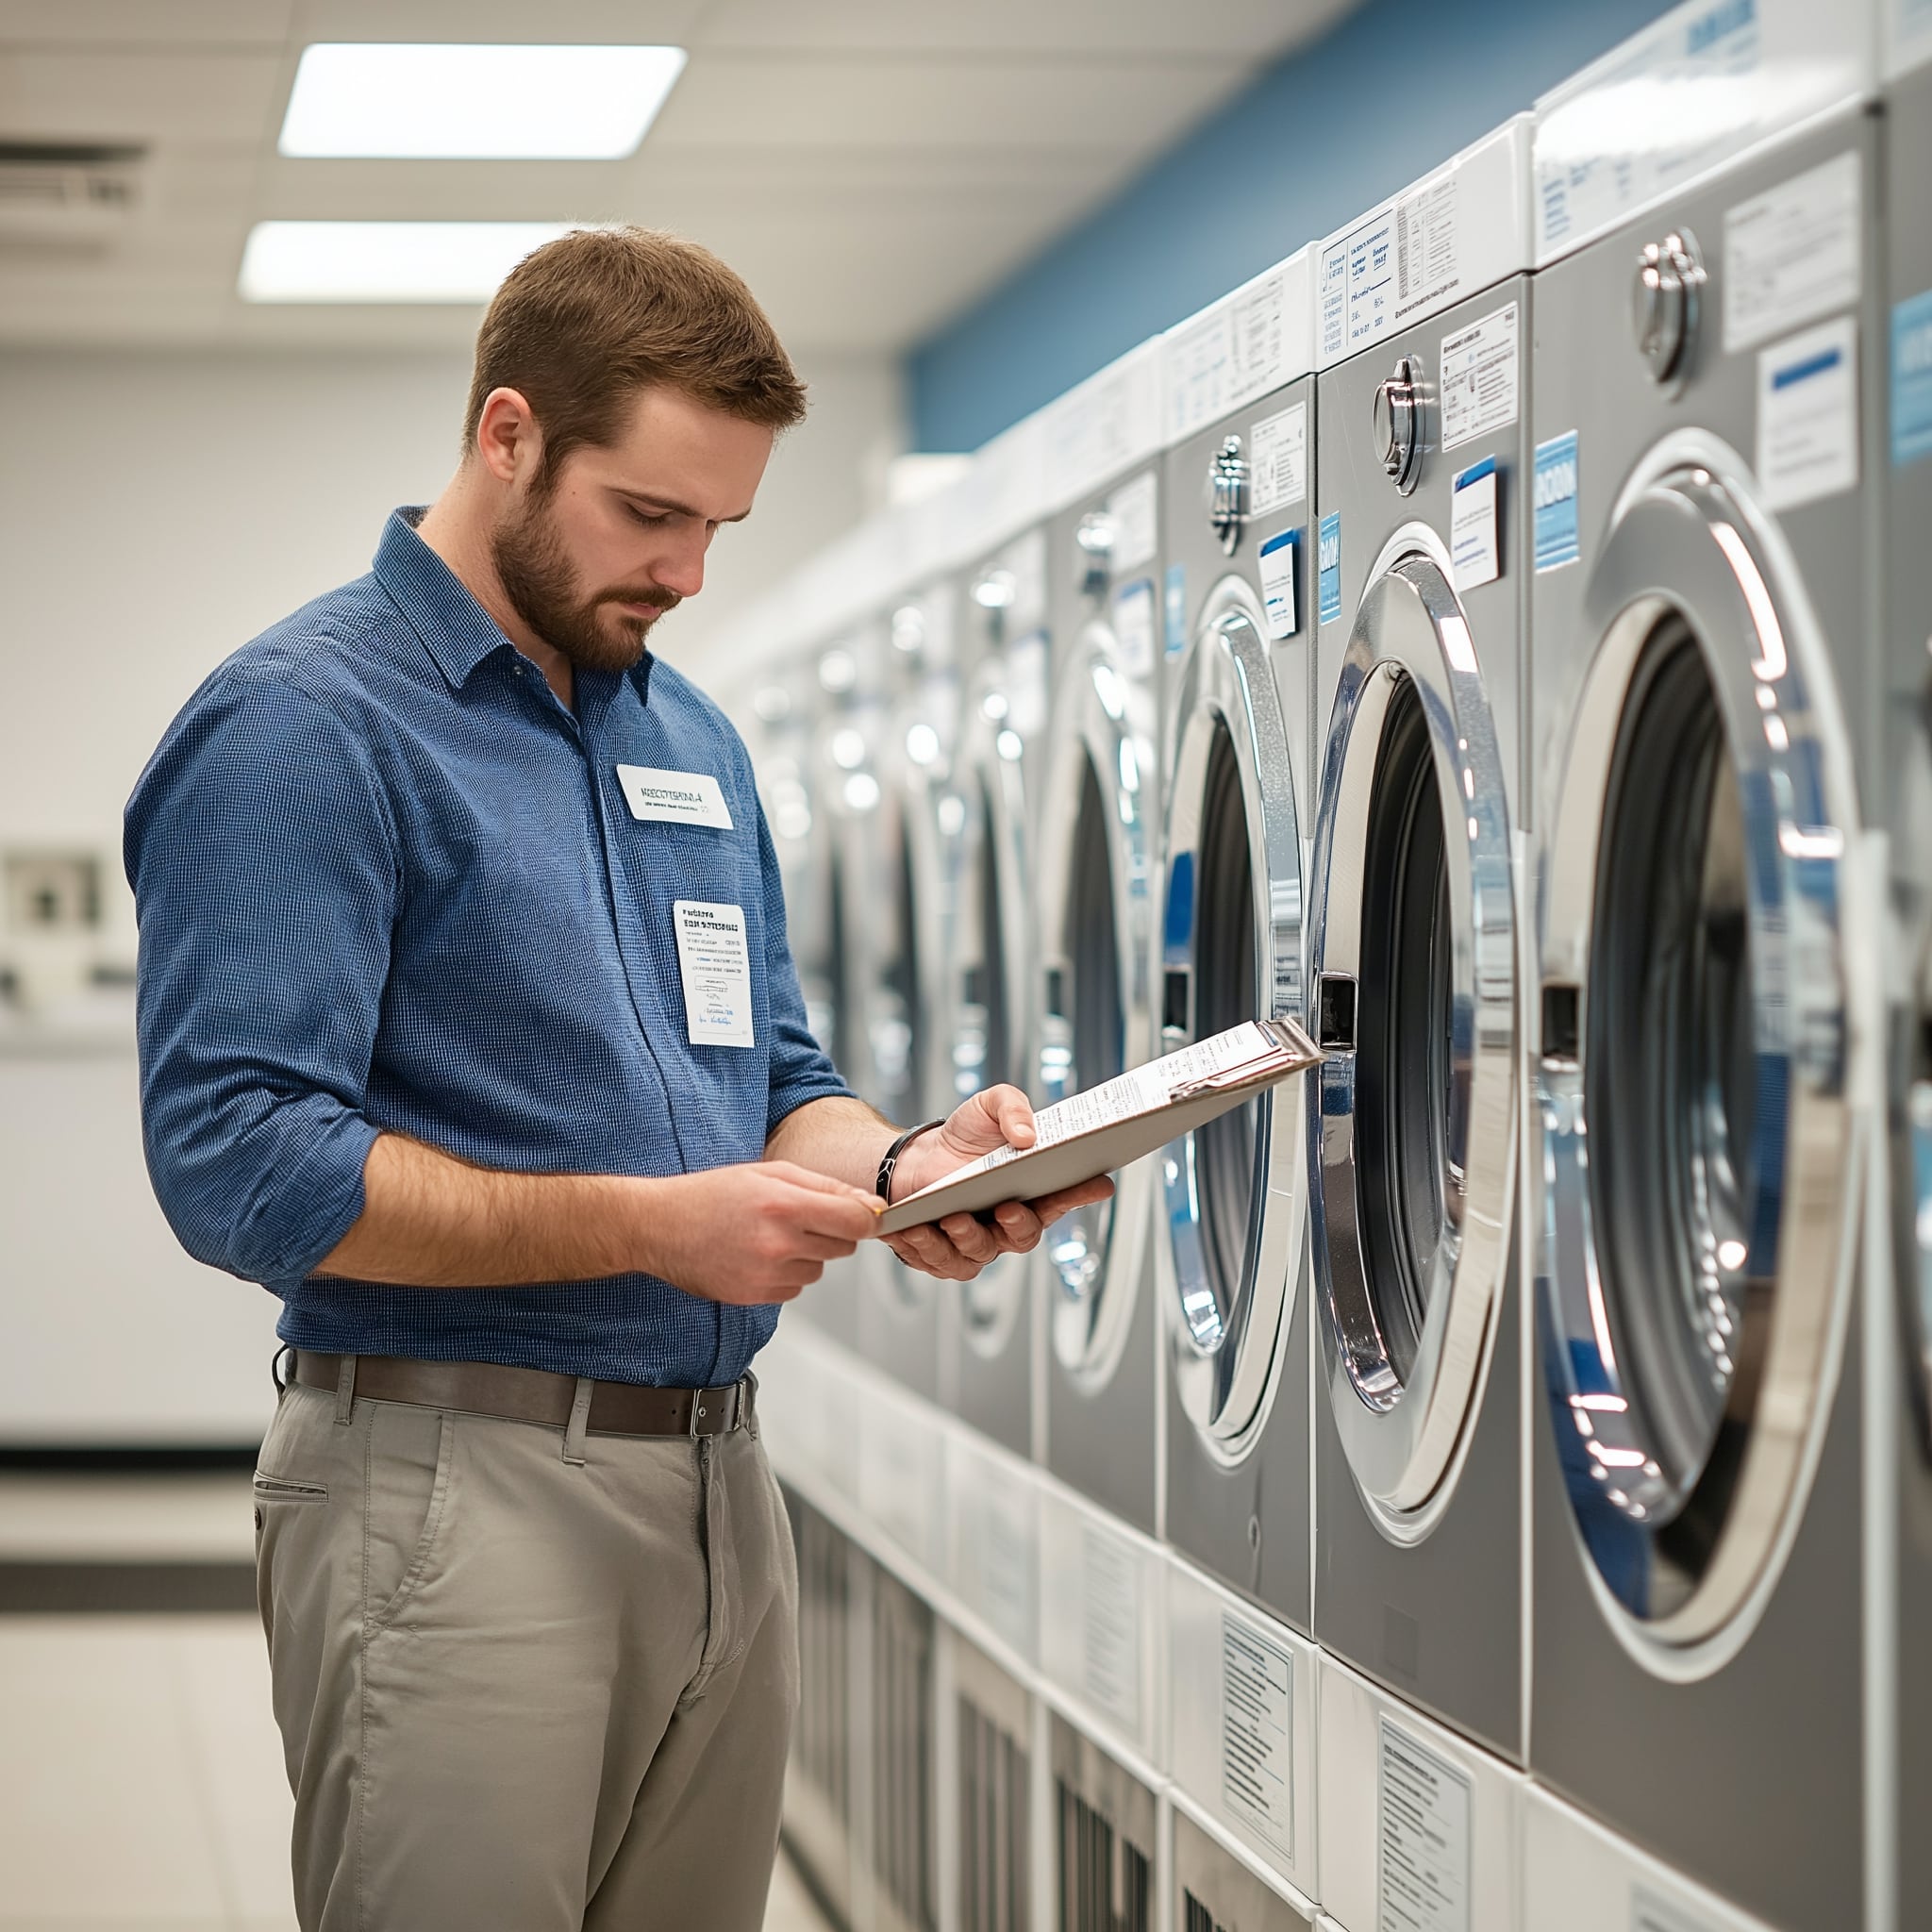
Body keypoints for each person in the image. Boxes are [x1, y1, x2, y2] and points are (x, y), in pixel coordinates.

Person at [124, 225, 1109, 1932]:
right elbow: (240, 1162)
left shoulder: (687, 739)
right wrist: (652, 1227)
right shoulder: (306, 723)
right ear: (508, 435)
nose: (687, 573)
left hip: (719, 1486)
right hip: (454, 1488)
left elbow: (775, 1074)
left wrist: (905, 1169)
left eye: (720, 527)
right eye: (651, 513)